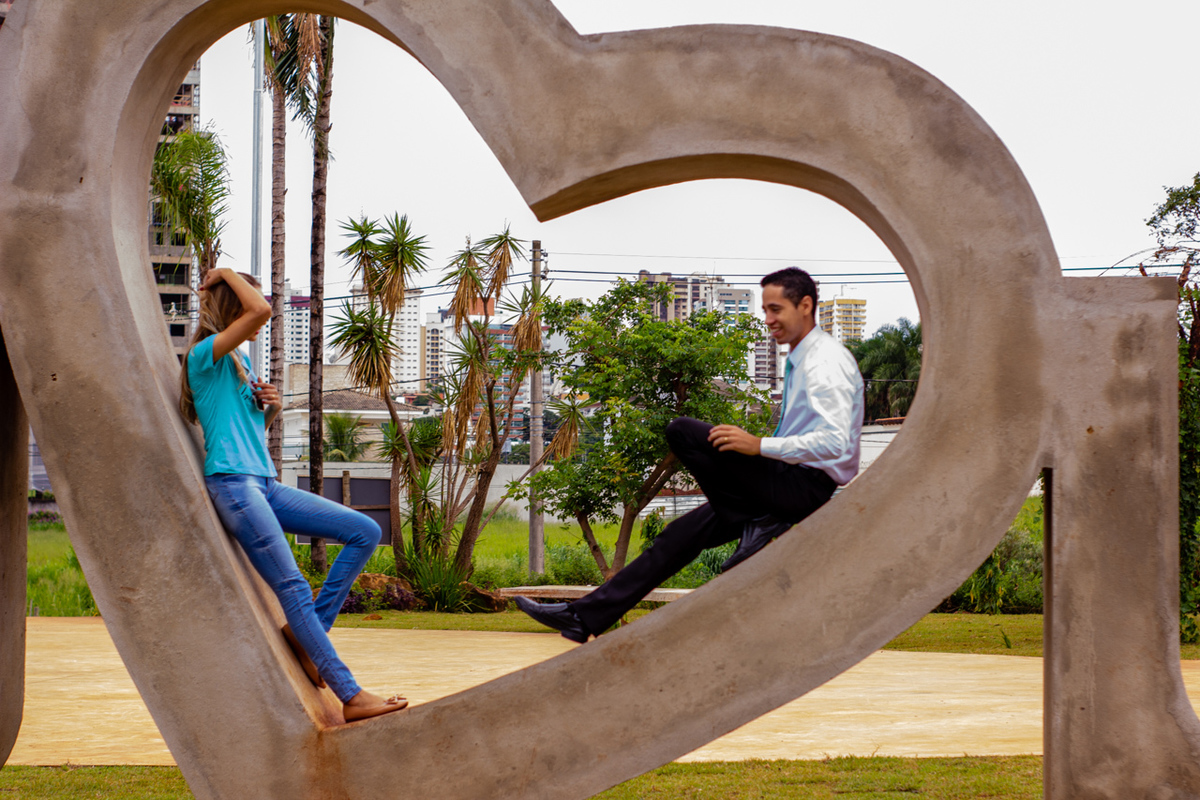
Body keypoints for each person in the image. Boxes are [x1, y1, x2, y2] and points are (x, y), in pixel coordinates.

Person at [515, 267, 864, 643]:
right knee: (677, 536)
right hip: (781, 482)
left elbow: (838, 443)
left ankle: (760, 520)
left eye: (775, 309)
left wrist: (758, 445)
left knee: (683, 431)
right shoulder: (801, 358)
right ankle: (582, 617)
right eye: (765, 310)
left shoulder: (826, 362)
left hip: (804, 486)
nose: (768, 320)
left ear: (806, 305)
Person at [180, 267, 406, 722]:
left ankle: (306, 638)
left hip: (263, 481)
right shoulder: (204, 355)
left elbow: (246, 435)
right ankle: (351, 696)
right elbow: (260, 310)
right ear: (231, 303)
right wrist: (222, 271)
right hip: (233, 485)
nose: (260, 304)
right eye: (247, 295)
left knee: (363, 530)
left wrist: (272, 412)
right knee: (293, 588)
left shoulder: (239, 365)